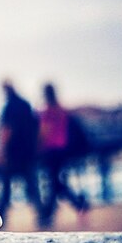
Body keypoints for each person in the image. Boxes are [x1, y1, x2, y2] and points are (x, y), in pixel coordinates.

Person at [38, 83, 89, 225]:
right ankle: (74, 203)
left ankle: (70, 205)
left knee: (54, 182)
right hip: (63, 150)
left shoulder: (48, 111)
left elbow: (44, 131)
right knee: (56, 182)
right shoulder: (62, 110)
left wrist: (38, 146)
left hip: (50, 151)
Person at [0, 80, 43, 223]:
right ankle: (41, 214)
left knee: (6, 186)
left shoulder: (9, 107)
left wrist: (1, 150)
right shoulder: (25, 105)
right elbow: (36, 126)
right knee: (32, 185)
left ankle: (1, 216)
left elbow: (6, 130)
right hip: (28, 151)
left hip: (13, 152)